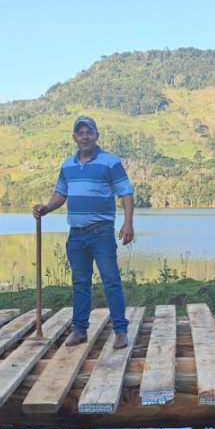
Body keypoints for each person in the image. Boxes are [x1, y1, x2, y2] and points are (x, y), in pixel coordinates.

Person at [32, 116, 135, 349]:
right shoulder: (68, 165)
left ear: (97, 135)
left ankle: (120, 331)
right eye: (81, 133)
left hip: (102, 233)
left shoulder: (110, 162)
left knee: (111, 281)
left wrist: (128, 223)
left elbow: (126, 193)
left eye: (89, 132)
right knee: (80, 283)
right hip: (76, 235)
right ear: (74, 137)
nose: (85, 136)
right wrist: (46, 208)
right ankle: (79, 330)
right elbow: (61, 193)